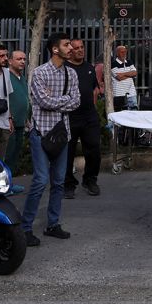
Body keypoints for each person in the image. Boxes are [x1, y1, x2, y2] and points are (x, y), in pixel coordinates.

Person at [23, 33, 82, 247]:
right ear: (55, 49)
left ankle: (53, 224)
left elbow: (76, 102)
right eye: (67, 45)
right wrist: (61, 100)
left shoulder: (71, 74)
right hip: (41, 133)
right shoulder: (39, 73)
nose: (71, 48)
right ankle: (25, 227)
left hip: (62, 134)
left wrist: (56, 100)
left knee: (58, 182)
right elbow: (43, 101)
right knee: (40, 180)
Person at [64, 38, 103, 197]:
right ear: (70, 51)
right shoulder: (64, 69)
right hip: (70, 116)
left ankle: (90, 180)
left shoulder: (89, 68)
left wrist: (93, 108)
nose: (80, 50)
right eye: (76, 48)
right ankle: (68, 184)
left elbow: (94, 90)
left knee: (94, 149)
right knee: (68, 152)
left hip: (89, 117)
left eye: (82, 47)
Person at [3, 49, 29, 187]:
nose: (22, 62)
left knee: (15, 155)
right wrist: (9, 117)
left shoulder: (22, 77)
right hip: (9, 123)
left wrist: (26, 117)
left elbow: (24, 99)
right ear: (10, 61)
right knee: (7, 155)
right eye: (19, 59)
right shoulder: (5, 76)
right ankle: (4, 185)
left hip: (21, 122)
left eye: (24, 59)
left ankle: (10, 184)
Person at [110, 45, 138, 111]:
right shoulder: (113, 64)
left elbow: (135, 73)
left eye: (125, 52)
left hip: (131, 93)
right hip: (119, 94)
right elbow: (119, 78)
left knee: (134, 114)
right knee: (121, 115)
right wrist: (130, 75)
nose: (124, 54)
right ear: (117, 53)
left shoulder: (129, 62)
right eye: (122, 52)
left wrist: (123, 74)